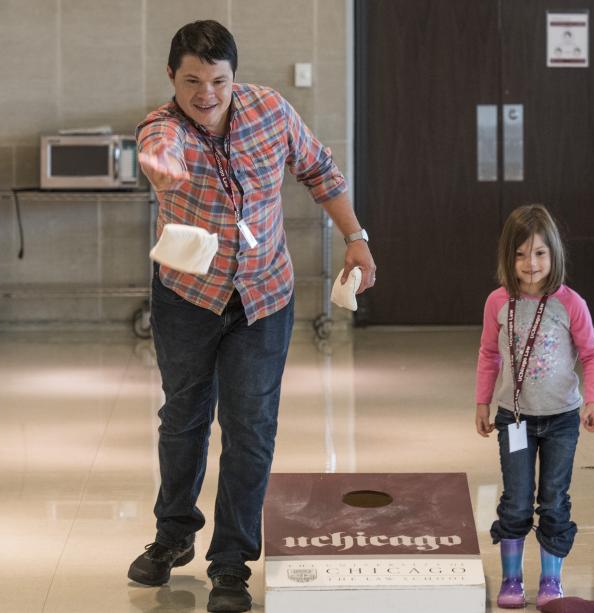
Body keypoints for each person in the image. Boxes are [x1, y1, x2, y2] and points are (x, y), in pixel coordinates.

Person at [126, 20, 376, 613]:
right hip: (187, 297)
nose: (206, 94)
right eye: (192, 81)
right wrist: (162, 165)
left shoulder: (270, 110)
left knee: (251, 428)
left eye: (217, 80)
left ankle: (232, 563)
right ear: (171, 77)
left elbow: (319, 169)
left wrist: (357, 239)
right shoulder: (163, 126)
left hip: (264, 298)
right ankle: (173, 534)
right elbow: (157, 153)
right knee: (184, 417)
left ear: (234, 76)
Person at [474, 204, 594, 609]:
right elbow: (488, 354)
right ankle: (512, 580)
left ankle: (551, 580)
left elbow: (592, 355)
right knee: (515, 498)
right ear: (507, 257)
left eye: (540, 253)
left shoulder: (570, 303)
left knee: (553, 498)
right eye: (520, 254)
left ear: (554, 255)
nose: (530, 263)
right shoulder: (498, 302)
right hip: (514, 419)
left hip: (562, 419)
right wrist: (482, 401)